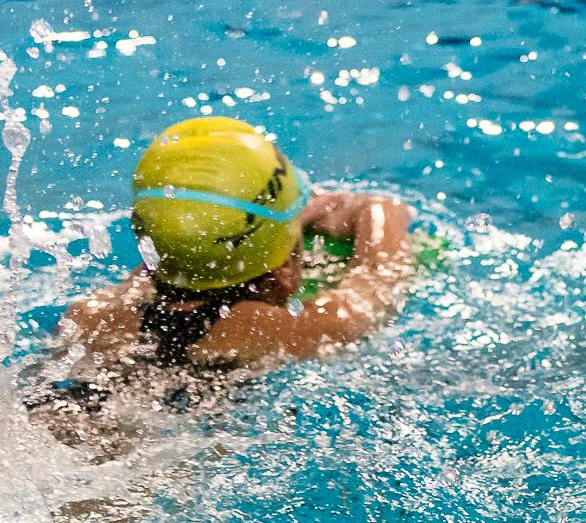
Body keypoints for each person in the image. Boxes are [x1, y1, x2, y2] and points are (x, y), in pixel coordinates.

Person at [35, 117, 417, 445]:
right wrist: (379, 210)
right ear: (284, 269)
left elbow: (163, 266)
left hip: (44, 421)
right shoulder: (286, 330)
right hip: (140, 463)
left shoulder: (90, 317)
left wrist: (276, 225)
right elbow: (380, 276)